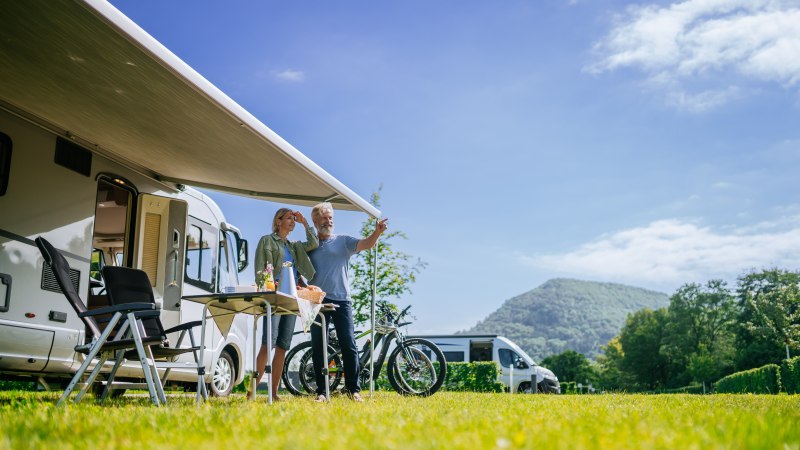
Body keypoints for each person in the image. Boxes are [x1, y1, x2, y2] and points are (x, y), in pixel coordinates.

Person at [308, 202, 388, 402]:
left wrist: (376, 233)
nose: (329, 221)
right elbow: (300, 272)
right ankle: (321, 392)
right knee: (319, 346)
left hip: (342, 299)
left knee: (349, 345)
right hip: (317, 301)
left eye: (331, 218)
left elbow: (366, 244)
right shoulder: (310, 246)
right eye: (325, 218)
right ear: (316, 221)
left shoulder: (343, 241)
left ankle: (353, 390)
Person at [250, 207, 317, 401]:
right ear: (278, 221)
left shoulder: (294, 245)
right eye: (289, 218)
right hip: (274, 296)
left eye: (293, 219)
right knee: (267, 343)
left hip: (292, 297)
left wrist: (305, 222)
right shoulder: (267, 241)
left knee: (283, 346)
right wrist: (271, 284)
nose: (292, 221)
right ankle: (252, 391)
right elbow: (261, 270)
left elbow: (313, 243)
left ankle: (274, 393)